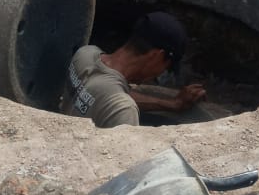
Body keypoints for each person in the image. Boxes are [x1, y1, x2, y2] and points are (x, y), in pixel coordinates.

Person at [59, 11, 206, 128]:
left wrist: (172, 104)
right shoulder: (124, 111)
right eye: (166, 67)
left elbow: (105, 95)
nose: (159, 74)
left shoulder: (85, 54)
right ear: (157, 56)